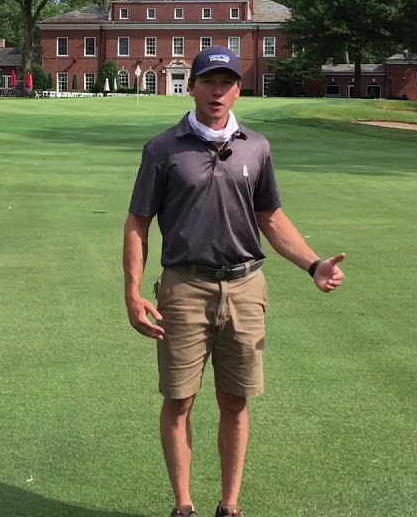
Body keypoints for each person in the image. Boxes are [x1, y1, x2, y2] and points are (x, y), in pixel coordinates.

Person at [122, 45, 347, 517]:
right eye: (208, 81)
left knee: (235, 400)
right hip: (184, 286)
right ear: (193, 86)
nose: (217, 90)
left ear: (238, 88)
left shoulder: (257, 147)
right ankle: (183, 505)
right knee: (179, 400)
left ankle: (230, 505)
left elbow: (270, 216)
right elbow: (138, 224)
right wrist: (133, 291)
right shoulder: (163, 150)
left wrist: (313, 263)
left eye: (226, 82)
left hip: (246, 286)